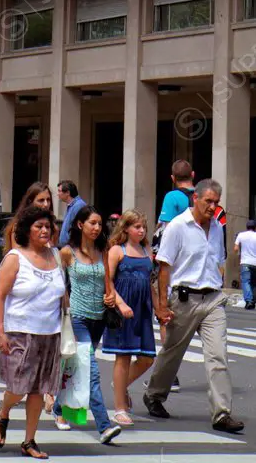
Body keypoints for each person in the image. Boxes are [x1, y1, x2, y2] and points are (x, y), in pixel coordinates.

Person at [143, 178, 244, 434]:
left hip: (212, 299)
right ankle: (154, 394)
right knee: (172, 353)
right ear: (195, 199)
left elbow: (219, 260)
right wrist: (163, 305)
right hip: (184, 299)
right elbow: (164, 266)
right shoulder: (177, 227)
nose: (212, 207)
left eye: (216, 202)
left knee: (218, 356)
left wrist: (219, 282)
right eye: (208, 201)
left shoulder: (218, 228)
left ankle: (222, 413)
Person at [0, 204, 65, 460]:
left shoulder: (55, 256)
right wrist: (0, 332)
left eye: (48, 226)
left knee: (38, 389)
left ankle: (29, 440)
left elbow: (61, 294)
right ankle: (4, 410)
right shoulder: (15, 257)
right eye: (39, 226)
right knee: (20, 386)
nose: (45, 231)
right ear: (28, 230)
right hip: (19, 332)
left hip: (50, 333)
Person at [52, 205, 121, 445]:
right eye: (92, 223)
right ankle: (104, 426)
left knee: (79, 369)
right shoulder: (67, 252)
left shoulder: (104, 250)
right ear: (80, 225)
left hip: (99, 318)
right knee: (90, 372)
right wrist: (63, 313)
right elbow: (60, 286)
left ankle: (59, 407)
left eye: (100, 224)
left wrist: (111, 296)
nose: (97, 227)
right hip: (78, 318)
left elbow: (108, 281)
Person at [102, 210, 157, 426]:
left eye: (143, 226)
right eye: (137, 227)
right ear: (126, 228)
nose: (142, 230)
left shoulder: (147, 250)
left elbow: (151, 282)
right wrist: (121, 304)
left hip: (143, 309)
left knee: (147, 358)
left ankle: (120, 385)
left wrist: (160, 307)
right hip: (122, 309)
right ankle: (119, 408)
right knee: (123, 357)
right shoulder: (117, 250)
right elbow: (108, 281)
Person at [151, 159, 195, 393]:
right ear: (193, 175)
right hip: (195, 269)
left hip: (174, 267)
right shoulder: (201, 199)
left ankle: (170, 375)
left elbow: (163, 230)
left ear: (172, 177)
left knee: (166, 319)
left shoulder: (172, 198)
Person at [3, 183, 55, 256]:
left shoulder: (53, 228)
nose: (46, 204)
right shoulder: (18, 226)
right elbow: (18, 257)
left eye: (48, 200)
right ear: (30, 201)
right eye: (41, 200)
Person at [56, 180, 86, 248]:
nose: (58, 194)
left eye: (59, 191)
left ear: (67, 192)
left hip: (72, 249)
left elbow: (78, 230)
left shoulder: (79, 205)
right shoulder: (71, 205)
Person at [234, 219, 256, 310]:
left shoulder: (241, 235)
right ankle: (253, 300)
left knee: (246, 281)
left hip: (245, 262)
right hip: (255, 263)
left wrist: (239, 255)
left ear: (247, 227)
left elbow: (235, 248)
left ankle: (249, 300)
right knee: (254, 283)